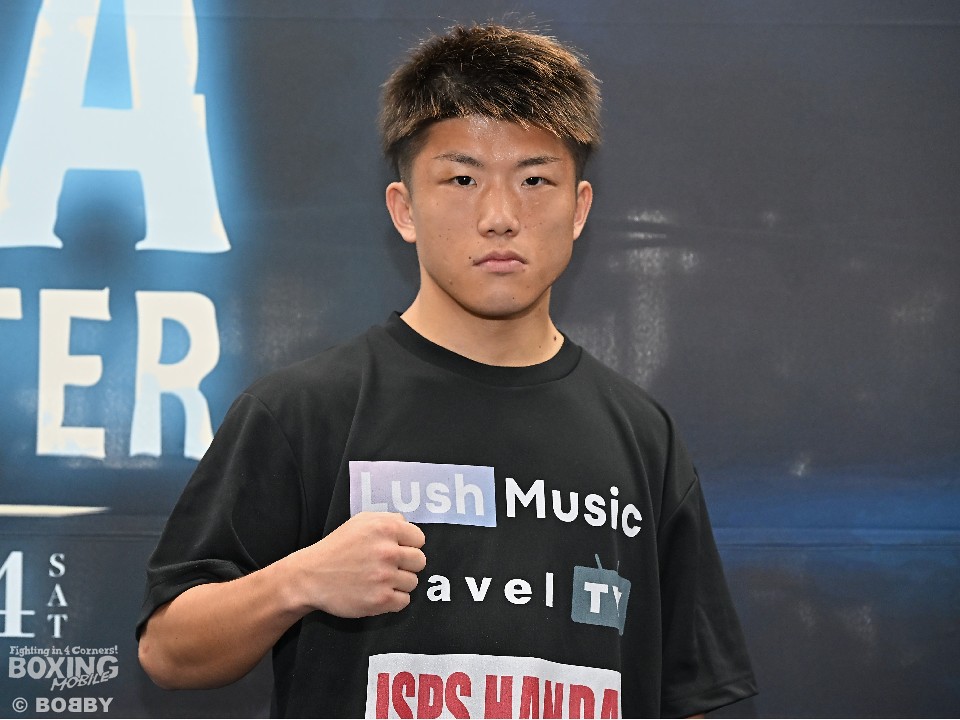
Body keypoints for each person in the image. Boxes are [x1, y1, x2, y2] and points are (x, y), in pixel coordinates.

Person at [137, 22, 757, 718]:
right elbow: (168, 651)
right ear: (404, 209)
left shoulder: (644, 438)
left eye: (535, 180)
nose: (500, 216)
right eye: (462, 179)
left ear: (579, 208)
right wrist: (299, 581)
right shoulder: (303, 411)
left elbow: (697, 695)